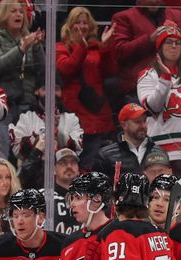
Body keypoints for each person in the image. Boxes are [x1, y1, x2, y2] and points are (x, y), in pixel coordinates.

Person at [136, 24, 181, 175]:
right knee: (163, 195)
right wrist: (165, 79)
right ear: (160, 46)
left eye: (178, 43)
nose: (174, 46)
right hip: (160, 149)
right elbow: (153, 107)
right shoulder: (147, 74)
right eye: (169, 42)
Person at [0, 0, 45, 159]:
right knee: (2, 152)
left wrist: (36, 48)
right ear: (3, 14)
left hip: (26, 103)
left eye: (21, 12)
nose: (19, 14)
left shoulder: (27, 38)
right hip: (2, 105)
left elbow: (41, 70)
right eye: (13, 11)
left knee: (27, 152)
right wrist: (22, 49)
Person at [56, 6, 117, 170]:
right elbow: (66, 70)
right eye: (77, 22)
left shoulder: (96, 47)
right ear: (69, 26)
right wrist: (81, 47)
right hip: (75, 110)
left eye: (85, 22)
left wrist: (105, 47)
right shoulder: (62, 48)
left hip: (96, 109)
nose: (82, 26)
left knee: (96, 161)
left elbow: (110, 71)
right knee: (79, 159)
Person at [94, 103, 160, 178]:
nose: (143, 125)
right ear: (124, 125)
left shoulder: (158, 151)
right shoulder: (105, 156)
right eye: (137, 122)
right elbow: (98, 187)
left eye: (144, 121)